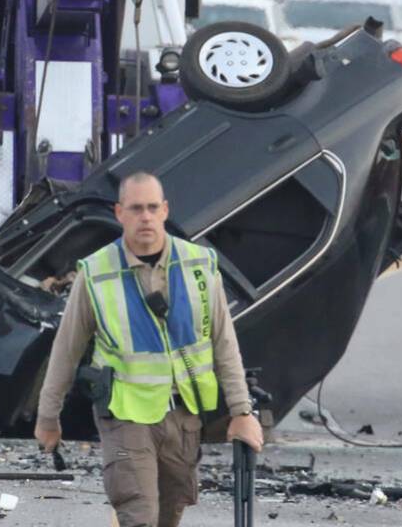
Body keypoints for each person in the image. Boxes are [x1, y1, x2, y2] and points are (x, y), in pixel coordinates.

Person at [33, 171, 263, 527]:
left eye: (152, 207)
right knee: (139, 513)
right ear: (119, 212)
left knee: (168, 515)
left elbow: (223, 343)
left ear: (165, 210)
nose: (145, 217)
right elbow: (67, 349)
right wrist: (48, 418)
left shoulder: (199, 266)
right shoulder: (96, 273)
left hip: (184, 416)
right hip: (126, 415)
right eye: (136, 208)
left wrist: (242, 412)